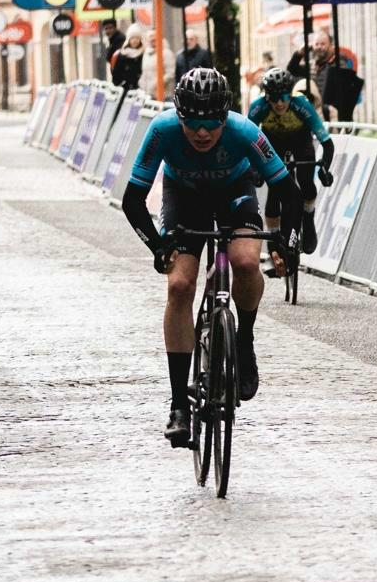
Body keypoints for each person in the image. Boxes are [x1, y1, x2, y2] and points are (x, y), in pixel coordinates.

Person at [122, 67, 296, 446]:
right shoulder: (162, 130)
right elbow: (132, 200)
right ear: (180, 118)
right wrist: (157, 245)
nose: (202, 133)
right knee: (180, 285)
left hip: (235, 192)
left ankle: (244, 340)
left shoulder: (245, 131)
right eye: (193, 125)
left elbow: (288, 190)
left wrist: (287, 241)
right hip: (183, 199)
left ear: (224, 118)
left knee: (247, 262)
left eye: (212, 125)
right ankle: (178, 404)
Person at [247, 66, 335, 275]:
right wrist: (254, 169)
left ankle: (308, 218)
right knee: (274, 192)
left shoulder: (301, 104)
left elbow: (327, 143)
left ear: (291, 94)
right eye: (274, 98)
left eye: (284, 97)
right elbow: (246, 141)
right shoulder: (258, 107)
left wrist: (324, 167)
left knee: (306, 182)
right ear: (266, 96)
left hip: (300, 141)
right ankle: (274, 241)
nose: (279, 103)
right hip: (273, 142)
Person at [306, 31, 363, 122]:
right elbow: (292, 69)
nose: (319, 47)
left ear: (331, 46)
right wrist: (299, 53)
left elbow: (343, 96)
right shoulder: (312, 65)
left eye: (323, 44)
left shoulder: (339, 64)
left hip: (334, 117)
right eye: (316, 44)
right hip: (317, 114)